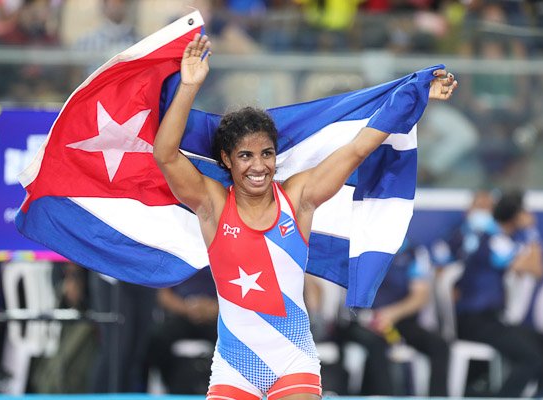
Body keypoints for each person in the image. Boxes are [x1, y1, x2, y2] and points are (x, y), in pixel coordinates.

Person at [153, 33, 457, 400]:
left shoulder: (297, 199)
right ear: (227, 160)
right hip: (235, 367)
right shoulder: (213, 204)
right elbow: (166, 155)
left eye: (266, 153)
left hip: (293, 361)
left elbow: (359, 146)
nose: (259, 165)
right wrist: (189, 86)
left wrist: (415, 97)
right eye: (245, 156)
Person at [454, 190, 543, 397]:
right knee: (532, 357)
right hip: (476, 321)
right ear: (516, 215)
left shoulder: (502, 239)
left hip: (493, 320)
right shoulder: (494, 240)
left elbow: (537, 270)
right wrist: (531, 231)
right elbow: (536, 269)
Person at [340, 241, 449, 396]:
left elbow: (420, 295)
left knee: (439, 345)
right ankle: (384, 396)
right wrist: (370, 316)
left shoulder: (413, 253)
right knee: (377, 345)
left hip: (399, 320)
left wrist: (391, 314)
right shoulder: (359, 249)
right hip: (362, 321)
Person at [147, 268, 218, 394]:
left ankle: (221, 385)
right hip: (181, 313)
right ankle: (167, 384)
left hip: (216, 316)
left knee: (233, 344)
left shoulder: (221, 255)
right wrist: (187, 308)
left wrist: (214, 308)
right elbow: (162, 294)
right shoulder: (177, 252)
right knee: (156, 340)